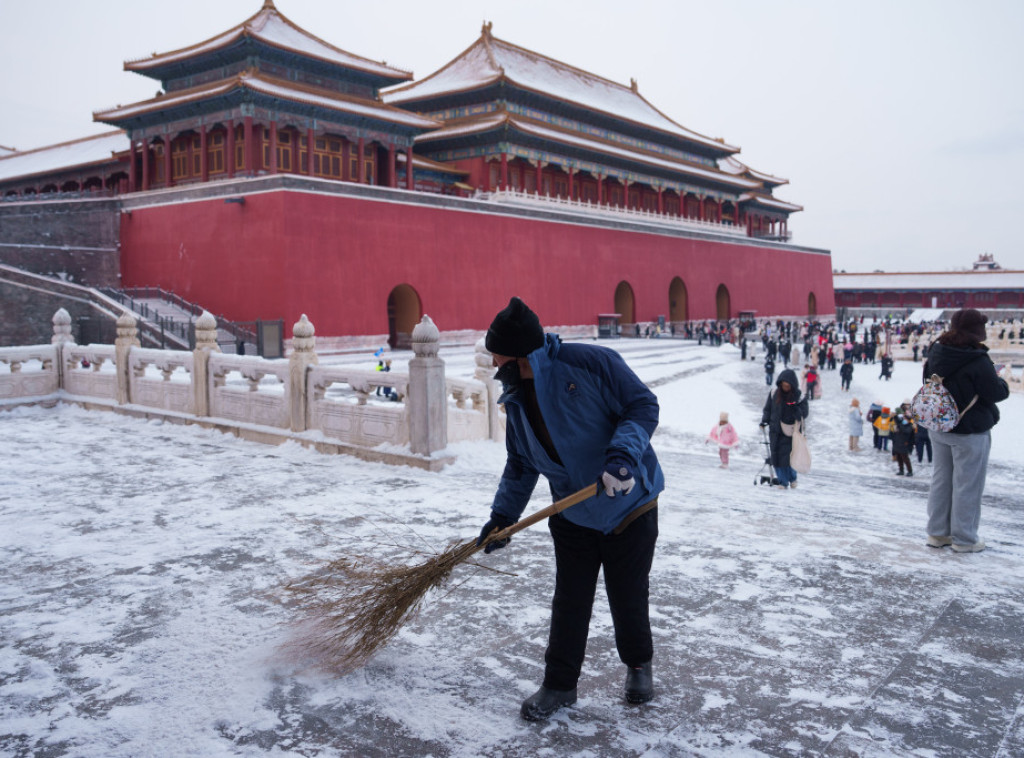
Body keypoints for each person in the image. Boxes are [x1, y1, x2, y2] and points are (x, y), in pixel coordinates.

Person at [476, 296, 665, 720]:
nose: (493, 364)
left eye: (498, 354)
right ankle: (559, 685)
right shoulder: (518, 398)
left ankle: (638, 665)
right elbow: (521, 463)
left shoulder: (591, 364)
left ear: (520, 353)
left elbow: (642, 406)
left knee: (627, 596)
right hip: (572, 511)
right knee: (570, 601)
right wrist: (502, 518)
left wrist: (622, 456)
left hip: (628, 504)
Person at [921, 309, 1009, 552]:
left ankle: (937, 534)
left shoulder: (936, 351)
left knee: (941, 480)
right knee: (967, 485)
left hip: (939, 425)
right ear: (977, 331)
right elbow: (996, 393)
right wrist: (999, 380)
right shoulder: (978, 359)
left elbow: (927, 381)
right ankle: (964, 539)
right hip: (969, 430)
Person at [760, 368, 809, 489]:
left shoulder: (799, 396)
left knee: (789, 458)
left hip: (791, 432)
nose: (785, 388)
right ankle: (783, 481)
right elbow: (768, 409)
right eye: (783, 385)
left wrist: (794, 407)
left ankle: (792, 479)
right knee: (776, 457)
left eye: (787, 386)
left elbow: (804, 413)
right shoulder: (774, 393)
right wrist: (764, 421)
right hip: (775, 431)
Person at [890, 400, 917, 476]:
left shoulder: (909, 426)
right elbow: (896, 422)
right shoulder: (901, 424)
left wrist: (900, 426)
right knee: (899, 458)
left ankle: (910, 471)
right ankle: (901, 470)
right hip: (898, 443)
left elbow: (906, 431)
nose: (904, 420)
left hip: (904, 444)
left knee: (905, 458)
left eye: (905, 419)